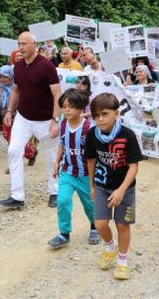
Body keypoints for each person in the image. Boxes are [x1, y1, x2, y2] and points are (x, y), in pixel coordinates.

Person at [0, 32, 62, 209]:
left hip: (45, 120)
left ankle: (54, 191)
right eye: (19, 43)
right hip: (23, 118)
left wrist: (55, 120)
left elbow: (57, 93)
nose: (20, 47)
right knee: (13, 151)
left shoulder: (47, 66)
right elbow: (16, 91)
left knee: (51, 156)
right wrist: (10, 111)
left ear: (35, 45)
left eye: (24, 44)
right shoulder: (17, 67)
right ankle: (17, 196)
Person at [85, 93, 142, 281]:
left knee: (122, 224)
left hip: (126, 188)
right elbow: (91, 159)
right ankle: (110, 247)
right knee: (100, 224)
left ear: (116, 113)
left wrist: (122, 190)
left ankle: (123, 260)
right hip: (102, 185)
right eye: (96, 115)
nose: (100, 119)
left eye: (105, 114)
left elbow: (134, 166)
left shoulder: (127, 135)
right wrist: (92, 185)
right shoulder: (93, 134)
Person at [47, 89, 99, 249]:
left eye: (71, 106)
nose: (67, 110)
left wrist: (92, 182)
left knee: (90, 205)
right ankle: (64, 233)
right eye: (64, 106)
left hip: (85, 174)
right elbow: (62, 144)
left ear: (81, 108)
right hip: (67, 172)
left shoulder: (89, 129)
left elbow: (93, 157)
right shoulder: (62, 124)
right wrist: (56, 163)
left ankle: (95, 227)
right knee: (62, 201)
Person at [0, 65, 37, 173]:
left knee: (13, 142)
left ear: (10, 76)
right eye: (1, 76)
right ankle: (32, 153)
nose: (3, 79)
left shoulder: (17, 86)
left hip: (17, 116)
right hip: (4, 117)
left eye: (5, 77)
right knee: (8, 137)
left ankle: (13, 165)